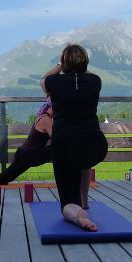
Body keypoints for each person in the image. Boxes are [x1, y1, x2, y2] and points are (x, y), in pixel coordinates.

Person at [41, 44, 108, 231]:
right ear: (85, 62)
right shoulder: (96, 81)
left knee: (67, 202)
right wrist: (80, 64)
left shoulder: (53, 82)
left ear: (63, 63)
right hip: (95, 145)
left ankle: (77, 214)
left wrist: (60, 65)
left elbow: (43, 79)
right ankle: (84, 201)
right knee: (82, 159)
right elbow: (85, 73)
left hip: (65, 145)